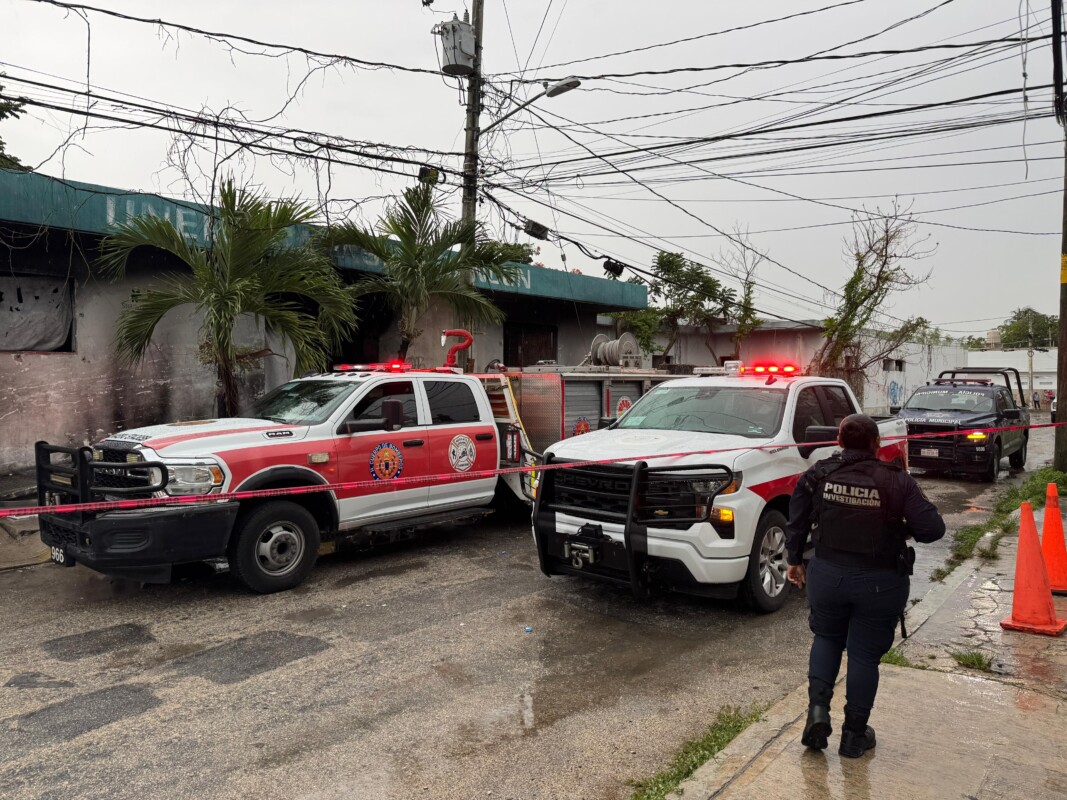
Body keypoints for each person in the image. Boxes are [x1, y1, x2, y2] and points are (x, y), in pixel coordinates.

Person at [785, 414, 945, 758]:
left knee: (826, 638)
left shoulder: (818, 474)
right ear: (876, 444)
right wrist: (898, 528)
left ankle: (817, 713)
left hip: (827, 576)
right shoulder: (897, 482)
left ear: (839, 441)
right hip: (880, 582)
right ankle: (854, 735)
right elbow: (933, 529)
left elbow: (795, 520)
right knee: (863, 656)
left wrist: (794, 561)